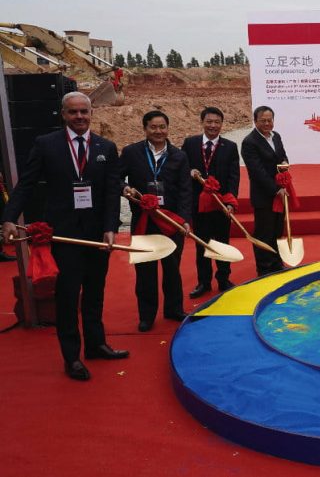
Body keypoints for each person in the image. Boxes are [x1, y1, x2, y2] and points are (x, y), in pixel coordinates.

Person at [1, 91, 128, 381]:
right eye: (73, 112)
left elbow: (111, 191)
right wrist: (9, 218)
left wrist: (111, 228)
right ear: (63, 114)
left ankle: (96, 345)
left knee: (95, 293)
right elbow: (27, 184)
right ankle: (71, 357)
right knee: (69, 296)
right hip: (64, 235)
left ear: (91, 113)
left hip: (97, 235)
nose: (79, 117)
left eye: (84, 111)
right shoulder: (46, 145)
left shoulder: (105, 147)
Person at [120, 111, 191, 332]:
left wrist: (185, 220)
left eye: (162, 127)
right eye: (153, 127)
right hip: (144, 221)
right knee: (145, 272)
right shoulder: (132, 153)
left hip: (171, 222)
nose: (158, 131)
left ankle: (174, 309)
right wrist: (124, 188)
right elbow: (115, 177)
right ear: (145, 129)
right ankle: (147, 315)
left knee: (172, 269)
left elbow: (185, 191)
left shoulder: (179, 156)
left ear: (168, 128)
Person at [181, 107, 240, 298]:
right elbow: (182, 170)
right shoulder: (190, 144)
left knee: (222, 242)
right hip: (199, 206)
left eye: (217, 122)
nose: (213, 125)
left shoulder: (230, 146)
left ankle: (223, 279)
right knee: (202, 244)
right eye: (209, 121)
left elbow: (234, 177)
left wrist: (230, 201)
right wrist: (189, 172)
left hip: (221, 204)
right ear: (202, 122)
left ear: (222, 124)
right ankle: (203, 282)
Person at [241, 106, 288, 275]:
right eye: (263, 120)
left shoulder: (276, 137)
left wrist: (285, 173)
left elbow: (282, 157)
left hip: (281, 193)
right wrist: (275, 189)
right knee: (264, 233)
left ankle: (276, 262)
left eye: (270, 120)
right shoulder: (250, 142)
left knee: (277, 229)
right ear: (255, 121)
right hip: (264, 196)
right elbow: (256, 171)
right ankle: (264, 268)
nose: (267, 123)